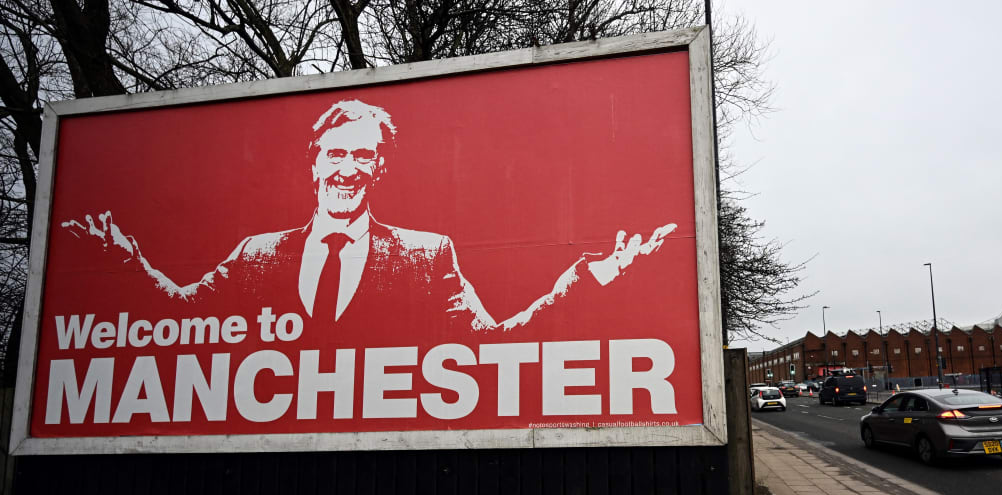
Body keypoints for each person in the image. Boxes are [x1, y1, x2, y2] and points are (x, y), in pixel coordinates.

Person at [61, 99, 676, 334]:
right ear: (313, 164)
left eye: (363, 156)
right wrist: (129, 264)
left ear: (379, 170)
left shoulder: (426, 253)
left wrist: (585, 281)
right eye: (335, 154)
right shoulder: (257, 254)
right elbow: (182, 321)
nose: (347, 168)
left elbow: (493, 344)